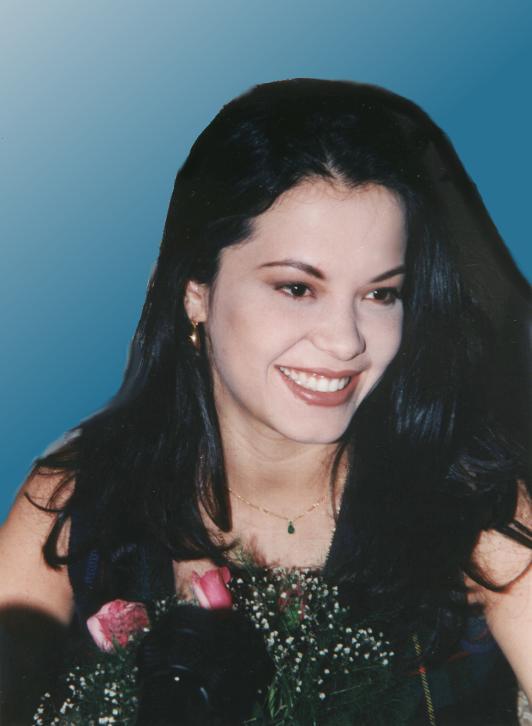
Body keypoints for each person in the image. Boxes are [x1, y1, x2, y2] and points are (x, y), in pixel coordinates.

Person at [0, 78, 530, 724]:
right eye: (297, 289)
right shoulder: (74, 504)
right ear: (196, 290)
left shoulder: (476, 510)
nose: (346, 341)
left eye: (381, 294)